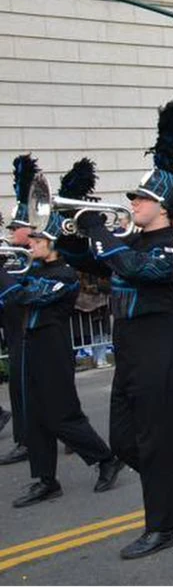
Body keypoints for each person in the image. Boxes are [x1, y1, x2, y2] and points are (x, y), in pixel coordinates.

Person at [57, 101, 173, 559]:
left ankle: (163, 527)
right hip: (130, 352)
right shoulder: (132, 239)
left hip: (160, 352)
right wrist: (68, 229)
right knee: (126, 442)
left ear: (162, 208)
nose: (132, 203)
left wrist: (99, 232)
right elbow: (89, 259)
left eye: (140, 199)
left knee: (156, 441)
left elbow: (134, 268)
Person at [2, 157, 123, 507]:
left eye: (36, 238)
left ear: (52, 242)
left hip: (53, 348)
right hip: (29, 344)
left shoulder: (64, 277)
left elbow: (22, 296)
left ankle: (105, 458)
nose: (30, 243)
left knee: (61, 415)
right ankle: (44, 479)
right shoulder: (33, 267)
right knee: (36, 418)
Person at [0, 154, 37, 467]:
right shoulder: (15, 256)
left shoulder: (32, 259)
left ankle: (26, 441)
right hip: (14, 331)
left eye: (17, 227)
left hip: (30, 333)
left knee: (26, 389)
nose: (12, 232)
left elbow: (18, 293)